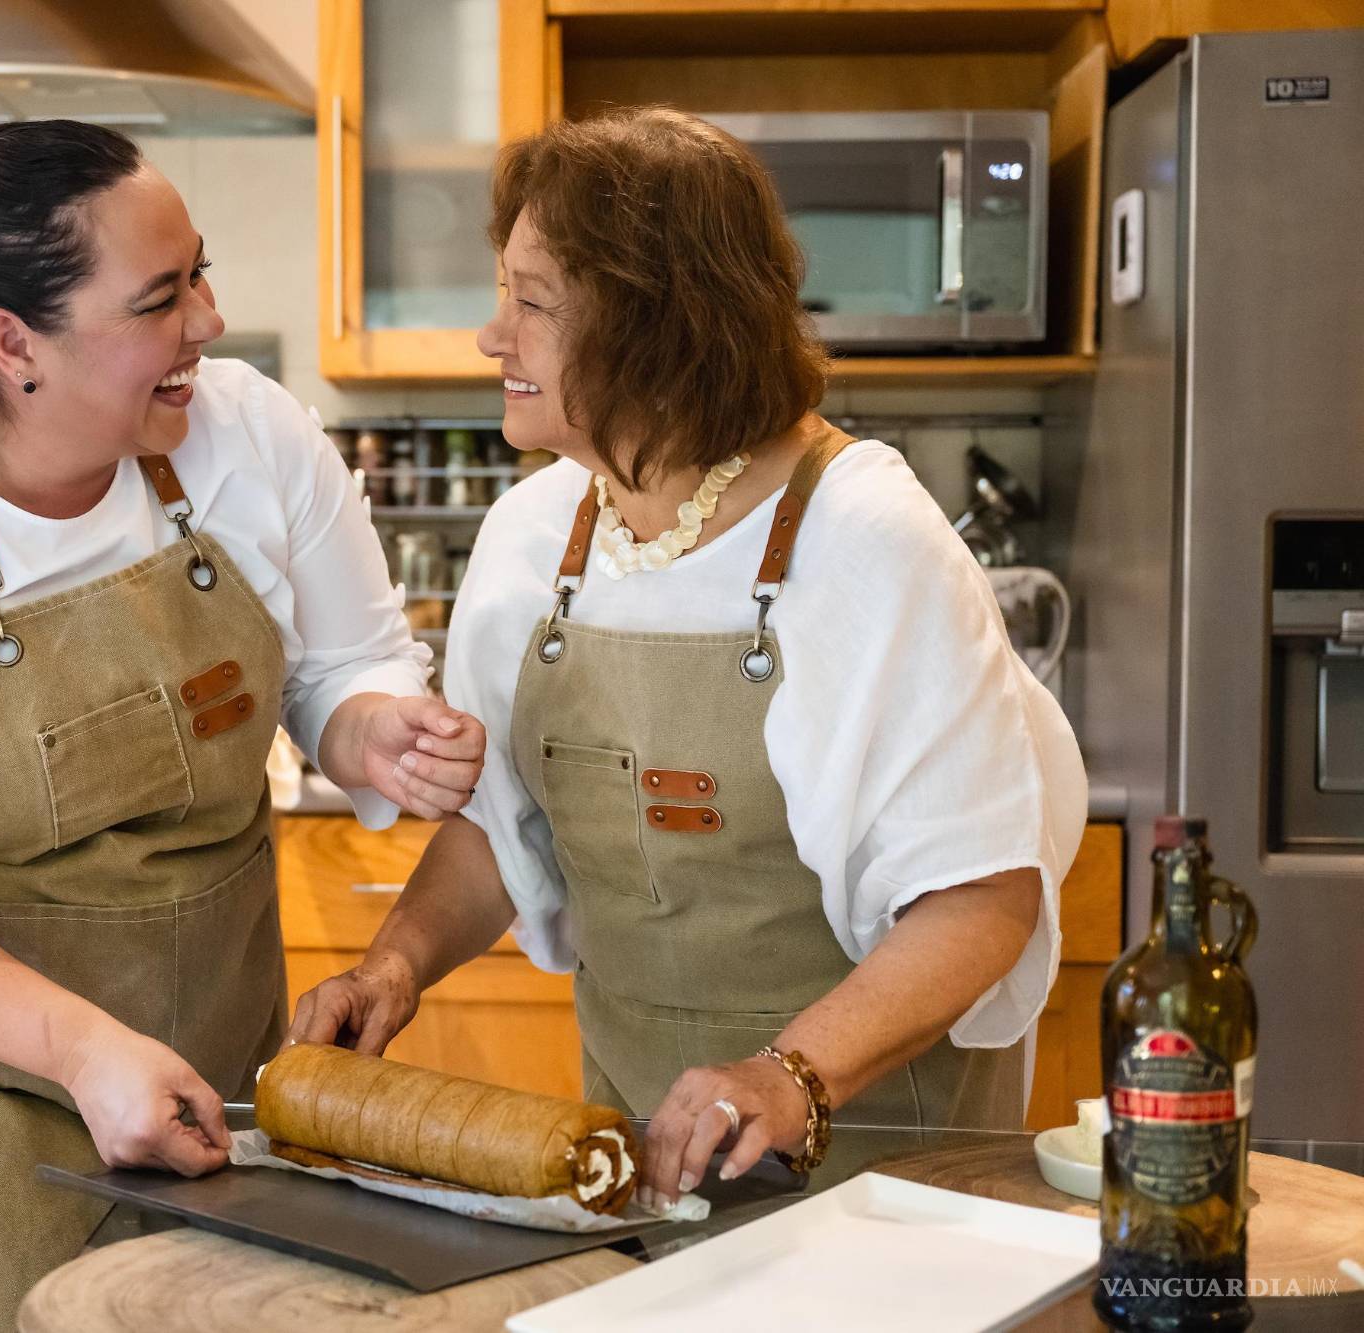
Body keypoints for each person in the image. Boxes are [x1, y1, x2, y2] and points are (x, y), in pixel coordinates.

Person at [0, 120, 484, 1330]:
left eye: (202, 273)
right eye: (160, 300)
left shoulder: (248, 436)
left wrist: (369, 728)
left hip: (213, 1069)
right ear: (13, 343)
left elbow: (343, 665)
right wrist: (79, 1048)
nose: (211, 322)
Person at [290, 108, 1086, 1212]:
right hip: (636, 1141)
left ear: (650, 328)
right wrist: (391, 966)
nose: (490, 335)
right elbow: (499, 831)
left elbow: (978, 902)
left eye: (529, 301)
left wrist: (787, 1074)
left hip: (868, 1154)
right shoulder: (534, 537)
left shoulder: (863, 539)